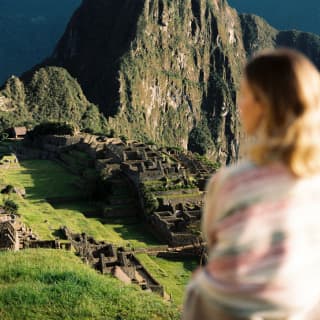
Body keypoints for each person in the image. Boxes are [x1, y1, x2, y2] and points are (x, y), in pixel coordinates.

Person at [182, 48, 320, 320]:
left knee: (199, 287)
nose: (240, 104)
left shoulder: (229, 182)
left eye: (246, 95)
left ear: (263, 105)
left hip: (232, 310)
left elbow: (214, 240)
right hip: (299, 308)